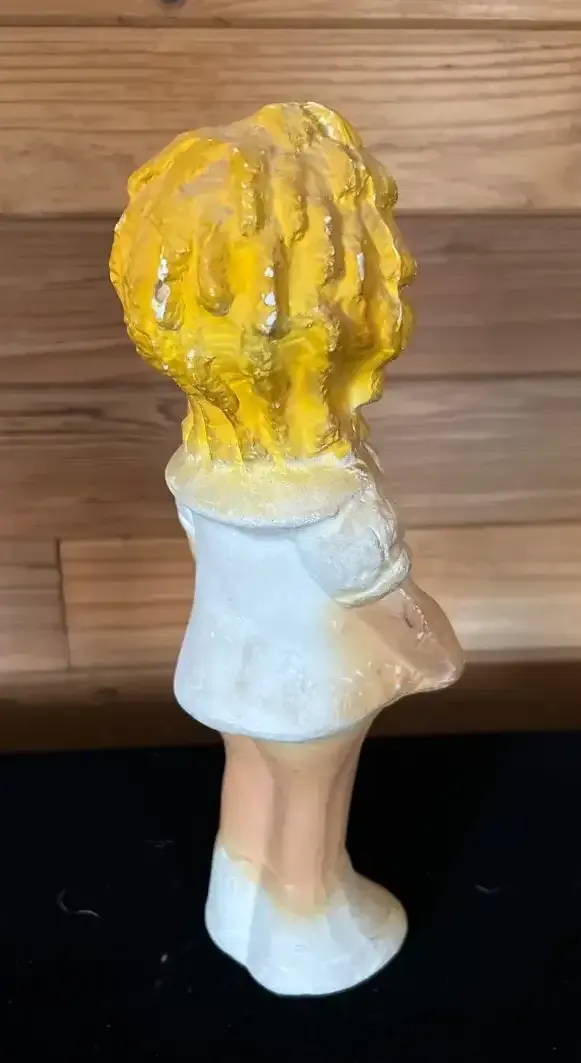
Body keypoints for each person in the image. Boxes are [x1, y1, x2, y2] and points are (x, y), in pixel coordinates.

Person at [110, 102, 464, 995]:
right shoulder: (333, 490)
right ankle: (309, 927)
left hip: (224, 668)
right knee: (311, 797)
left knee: (247, 773)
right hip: (313, 689)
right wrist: (434, 645)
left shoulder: (196, 464)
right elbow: (372, 587)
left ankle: (234, 902)